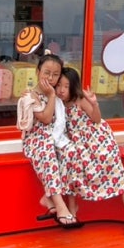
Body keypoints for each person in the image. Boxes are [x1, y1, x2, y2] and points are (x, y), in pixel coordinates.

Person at [58, 67, 124, 237]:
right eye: (59, 86)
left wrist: (94, 103)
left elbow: (96, 119)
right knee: (70, 164)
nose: (62, 90)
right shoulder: (58, 103)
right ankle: (72, 210)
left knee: (115, 169)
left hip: (97, 138)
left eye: (66, 86)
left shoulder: (80, 100)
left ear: (73, 86)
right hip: (77, 144)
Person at [20, 53, 77, 228]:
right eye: (47, 73)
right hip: (36, 139)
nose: (50, 78)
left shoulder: (58, 94)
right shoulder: (31, 96)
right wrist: (51, 96)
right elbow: (45, 119)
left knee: (71, 152)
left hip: (54, 137)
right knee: (47, 150)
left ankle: (49, 197)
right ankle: (60, 206)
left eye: (55, 74)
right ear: (38, 72)